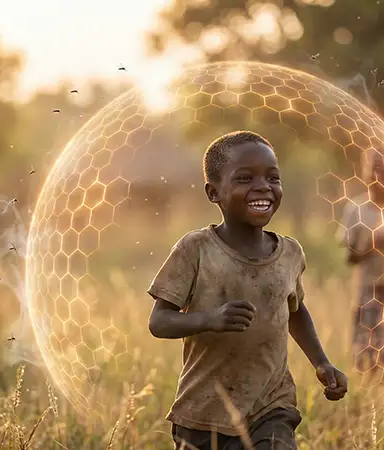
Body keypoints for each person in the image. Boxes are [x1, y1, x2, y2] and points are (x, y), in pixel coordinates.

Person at [147, 130, 348, 450]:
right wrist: (210, 319)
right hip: (203, 413)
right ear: (213, 193)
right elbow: (159, 322)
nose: (262, 186)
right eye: (244, 178)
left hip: (270, 407)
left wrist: (321, 362)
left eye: (272, 177)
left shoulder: (290, 254)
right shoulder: (195, 249)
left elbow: (295, 312)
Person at [339, 150, 384, 373]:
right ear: (365, 172)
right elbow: (349, 257)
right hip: (368, 290)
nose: (380, 174)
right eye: (375, 168)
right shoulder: (356, 209)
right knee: (366, 350)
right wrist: (368, 246)